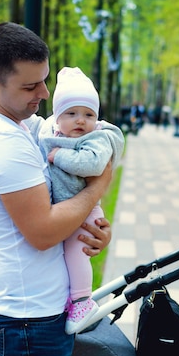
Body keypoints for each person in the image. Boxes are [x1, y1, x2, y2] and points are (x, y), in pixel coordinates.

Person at [0, 22, 113, 356]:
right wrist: (98, 187)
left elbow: (54, 208)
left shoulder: (17, 126)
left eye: (44, 80)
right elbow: (43, 231)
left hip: (31, 316)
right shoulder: (3, 142)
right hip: (25, 323)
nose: (44, 93)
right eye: (30, 86)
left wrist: (90, 227)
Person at [38, 66, 124, 335]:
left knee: (77, 253)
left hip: (84, 213)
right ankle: (73, 297)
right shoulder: (53, 135)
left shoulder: (96, 139)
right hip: (67, 209)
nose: (80, 121)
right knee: (67, 255)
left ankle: (83, 300)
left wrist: (58, 157)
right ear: (57, 117)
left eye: (88, 114)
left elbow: (93, 164)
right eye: (71, 114)